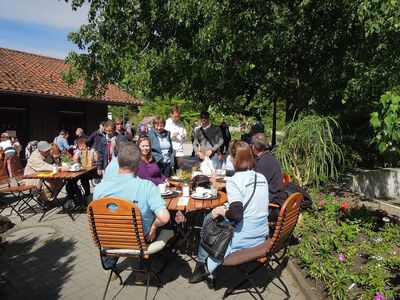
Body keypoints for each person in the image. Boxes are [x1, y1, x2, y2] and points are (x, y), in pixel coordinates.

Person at [189, 141, 269, 284]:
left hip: (243, 238)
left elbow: (237, 215)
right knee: (213, 217)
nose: (230, 160)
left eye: (231, 157)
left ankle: (204, 266)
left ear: (235, 159)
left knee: (209, 220)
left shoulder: (234, 181)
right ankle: (204, 266)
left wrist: (221, 209)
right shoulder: (261, 177)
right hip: (262, 234)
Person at [93, 143, 170, 242]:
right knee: (167, 227)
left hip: (109, 238)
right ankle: (153, 257)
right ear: (138, 164)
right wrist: (154, 227)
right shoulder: (147, 186)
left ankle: (110, 257)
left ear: (118, 161)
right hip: (139, 239)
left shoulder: (99, 188)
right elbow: (164, 218)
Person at [251, 133, 282, 200]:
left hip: (270, 196)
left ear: (253, 147)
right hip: (274, 192)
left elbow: (257, 185)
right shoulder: (267, 157)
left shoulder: (264, 162)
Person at [165, 105, 187, 170]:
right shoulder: (166, 123)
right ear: (170, 114)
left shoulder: (181, 124)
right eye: (175, 116)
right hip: (170, 151)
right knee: (170, 172)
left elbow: (184, 137)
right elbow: (162, 137)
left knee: (179, 171)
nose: (177, 118)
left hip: (180, 151)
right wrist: (172, 135)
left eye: (178, 116)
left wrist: (184, 136)